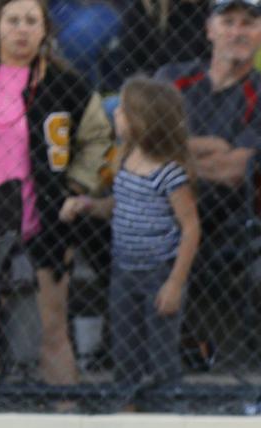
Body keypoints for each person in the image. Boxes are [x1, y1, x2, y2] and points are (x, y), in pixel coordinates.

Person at [0, 0, 111, 385]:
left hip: (40, 224)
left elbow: (99, 137)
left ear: (45, 30)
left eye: (31, 21)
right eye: (13, 20)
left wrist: (78, 185)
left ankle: (66, 411)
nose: (22, 29)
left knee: (51, 331)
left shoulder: (65, 85)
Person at [156, 0, 261, 355]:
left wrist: (173, 151)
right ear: (210, 29)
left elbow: (233, 170)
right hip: (157, 197)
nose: (238, 32)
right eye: (228, 22)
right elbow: (140, 140)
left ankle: (172, 339)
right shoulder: (172, 78)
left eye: (248, 23)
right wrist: (212, 148)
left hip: (221, 210)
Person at [60, 77, 200, 390]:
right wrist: (87, 205)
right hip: (124, 270)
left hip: (158, 271)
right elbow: (117, 204)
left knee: (161, 351)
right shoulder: (125, 159)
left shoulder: (170, 172)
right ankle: (127, 404)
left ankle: (168, 407)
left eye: (123, 110)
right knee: (125, 348)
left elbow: (190, 228)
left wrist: (175, 283)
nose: (116, 115)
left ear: (144, 120)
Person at [112, 0, 210, 85]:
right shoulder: (145, 9)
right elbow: (126, 65)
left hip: (198, 86)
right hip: (155, 87)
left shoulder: (215, 13)